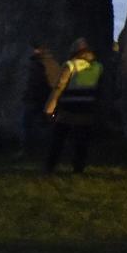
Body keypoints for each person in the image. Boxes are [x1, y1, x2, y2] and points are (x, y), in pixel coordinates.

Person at [44, 39, 103, 174]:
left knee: (58, 139)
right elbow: (100, 88)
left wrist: (49, 108)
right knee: (81, 142)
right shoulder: (98, 67)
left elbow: (59, 87)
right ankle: (78, 168)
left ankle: (50, 166)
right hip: (87, 109)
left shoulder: (70, 65)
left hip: (68, 109)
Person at [21, 42, 61, 156]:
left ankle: (29, 149)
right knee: (44, 125)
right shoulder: (52, 63)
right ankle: (47, 149)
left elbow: (36, 83)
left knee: (28, 124)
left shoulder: (41, 64)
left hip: (39, 98)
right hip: (44, 98)